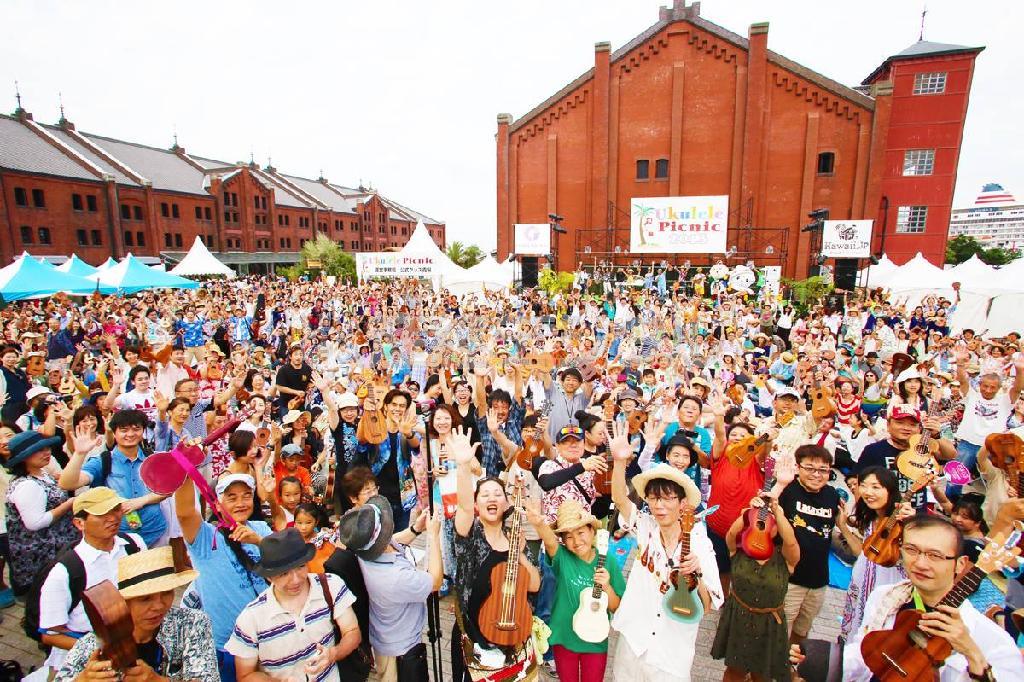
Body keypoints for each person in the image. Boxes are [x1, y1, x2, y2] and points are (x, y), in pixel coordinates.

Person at [606, 420, 723, 682]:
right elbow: (620, 499)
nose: (660, 506)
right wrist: (619, 462)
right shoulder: (645, 527)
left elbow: (707, 606)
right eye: (654, 498)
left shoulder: (700, 544)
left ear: (683, 503)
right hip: (633, 639)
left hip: (672, 653)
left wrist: (698, 574)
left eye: (668, 498)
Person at [841, 515, 1022, 680]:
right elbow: (861, 655)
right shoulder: (886, 597)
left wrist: (972, 653)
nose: (920, 563)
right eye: (911, 550)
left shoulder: (988, 636)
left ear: (960, 564)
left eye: (934, 555)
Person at [451, 425, 541, 681]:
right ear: (478, 503)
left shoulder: (515, 539)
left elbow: (534, 585)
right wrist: (463, 466)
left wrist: (521, 553)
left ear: (506, 503)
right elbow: (464, 507)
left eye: (498, 494)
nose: (492, 498)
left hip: (513, 637)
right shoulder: (470, 537)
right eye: (485, 494)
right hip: (474, 642)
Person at [54, 545, 217, 682]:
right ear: (124, 601)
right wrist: (82, 679)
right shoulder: (93, 644)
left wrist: (157, 680)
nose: (159, 606)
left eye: (167, 593)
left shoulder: (192, 624)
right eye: (146, 599)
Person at [227, 527, 361, 682]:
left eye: (301, 567)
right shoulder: (251, 618)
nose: (296, 579)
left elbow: (352, 632)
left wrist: (333, 654)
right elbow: (245, 675)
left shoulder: (330, 585)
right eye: (284, 573)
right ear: (269, 577)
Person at [175, 471, 273, 682]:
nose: (241, 502)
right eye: (231, 497)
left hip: (268, 636)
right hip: (228, 643)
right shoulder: (205, 538)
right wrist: (184, 468)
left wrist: (259, 542)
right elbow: (184, 513)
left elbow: (285, 564)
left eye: (246, 495)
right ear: (217, 505)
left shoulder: (261, 528)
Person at [37, 487, 146, 675]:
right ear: (80, 523)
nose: (113, 518)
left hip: (133, 649)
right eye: (102, 514)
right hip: (86, 665)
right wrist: (102, 650)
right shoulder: (64, 572)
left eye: (115, 509)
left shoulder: (133, 544)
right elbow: (49, 635)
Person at [337, 496, 442, 682]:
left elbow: (393, 540)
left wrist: (416, 528)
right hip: (399, 649)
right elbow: (435, 581)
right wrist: (433, 536)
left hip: (384, 635)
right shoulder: (394, 577)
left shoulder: (365, 552)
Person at [525, 499, 624, 682]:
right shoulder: (562, 558)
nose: (577, 541)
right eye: (569, 537)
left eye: (581, 532)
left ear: (592, 531)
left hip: (595, 639)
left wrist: (607, 587)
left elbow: (616, 607)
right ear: (563, 541)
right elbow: (549, 541)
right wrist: (538, 523)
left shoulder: (607, 561)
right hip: (564, 638)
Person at [711, 489, 799, 682]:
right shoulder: (739, 551)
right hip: (739, 617)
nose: (768, 524)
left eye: (772, 523)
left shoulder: (785, 559)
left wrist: (778, 512)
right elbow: (732, 533)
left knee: (763, 675)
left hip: (769, 624)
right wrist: (748, 513)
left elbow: (791, 541)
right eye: (763, 520)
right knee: (734, 672)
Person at [59, 409, 169, 548]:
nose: (130, 434)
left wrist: (142, 501)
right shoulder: (103, 461)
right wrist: (80, 454)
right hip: (118, 536)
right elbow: (67, 483)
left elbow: (167, 489)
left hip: (155, 531)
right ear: (114, 432)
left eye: (136, 429)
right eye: (124, 430)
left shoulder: (152, 458)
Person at [837, 466, 912, 642]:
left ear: (890, 490)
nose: (868, 492)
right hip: (862, 583)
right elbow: (865, 554)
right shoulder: (871, 517)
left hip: (887, 591)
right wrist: (843, 527)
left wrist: (911, 525)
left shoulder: (902, 521)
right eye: (864, 485)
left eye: (876, 487)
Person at [779, 444, 841, 645]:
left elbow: (840, 527)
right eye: (810, 468)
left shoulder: (832, 495)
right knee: (781, 629)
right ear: (798, 468)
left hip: (819, 580)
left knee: (802, 631)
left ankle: (793, 667)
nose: (817, 475)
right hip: (789, 578)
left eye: (823, 470)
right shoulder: (787, 490)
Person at [5, 430, 81, 594]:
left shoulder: (42, 474)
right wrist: (68, 504)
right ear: (24, 457)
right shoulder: (27, 485)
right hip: (44, 553)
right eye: (39, 450)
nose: (47, 453)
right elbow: (35, 523)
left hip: (58, 546)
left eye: (47, 448)